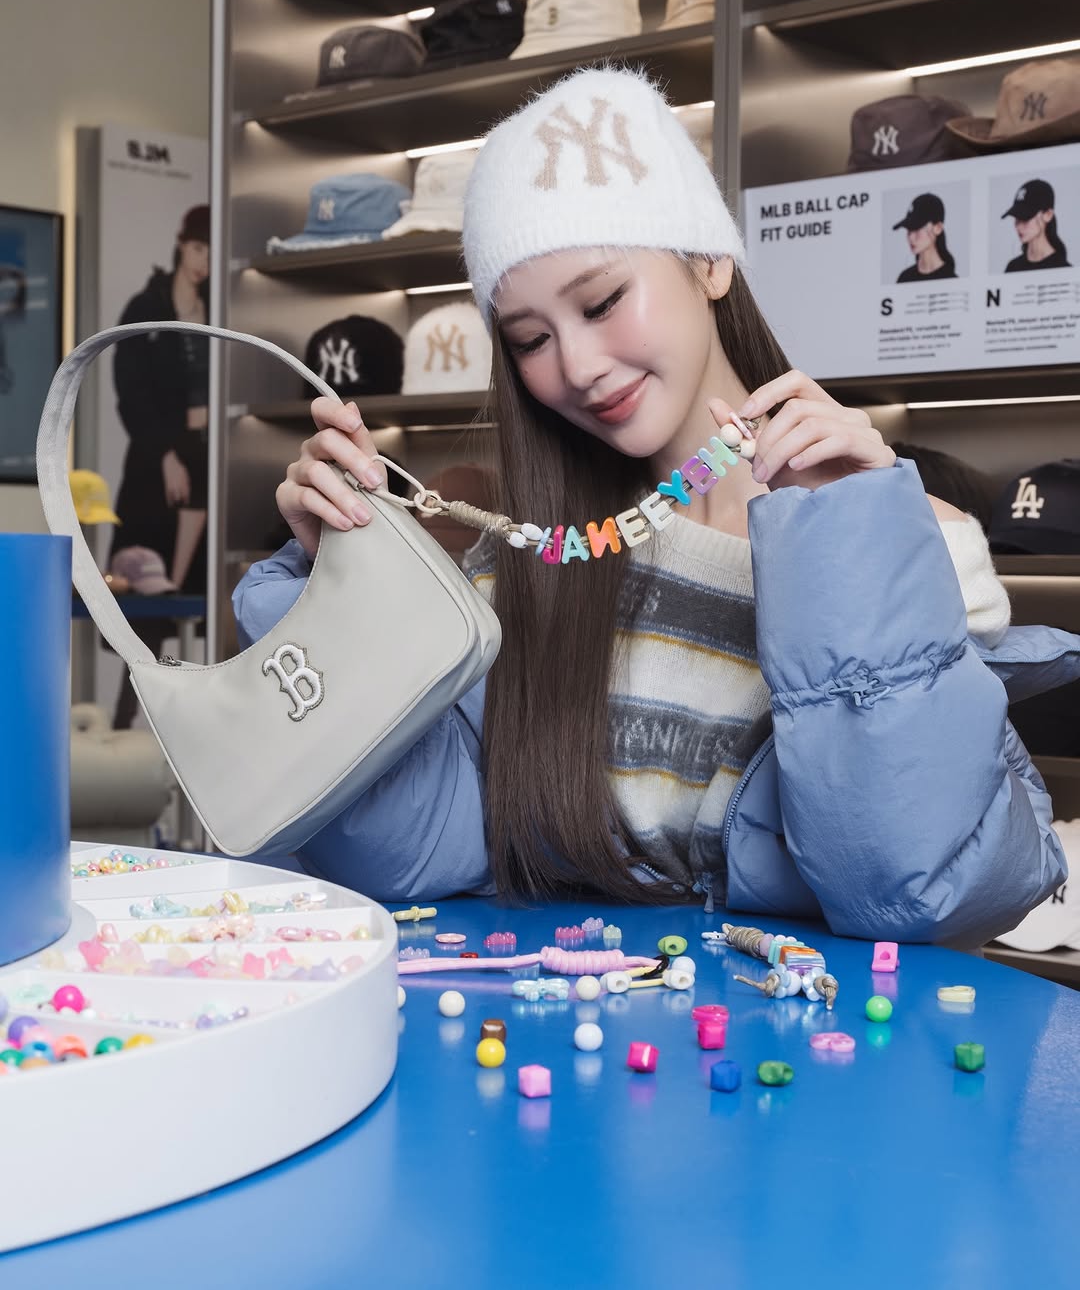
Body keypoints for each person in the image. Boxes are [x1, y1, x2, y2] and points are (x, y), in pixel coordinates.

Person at [233, 68, 1078, 947]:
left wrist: (850, 552)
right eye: (530, 339)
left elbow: (913, 891)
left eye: (602, 301)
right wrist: (342, 593)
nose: (579, 365)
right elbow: (412, 857)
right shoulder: (528, 561)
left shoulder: (917, 540)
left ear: (709, 260)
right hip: (561, 1024)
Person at [109, 203, 210, 728]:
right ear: (180, 244)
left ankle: (187, 744)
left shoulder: (219, 308)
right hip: (156, 467)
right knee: (144, 621)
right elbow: (130, 395)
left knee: (199, 610)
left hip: (209, 458)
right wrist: (167, 453)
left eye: (211, 250)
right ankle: (120, 737)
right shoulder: (145, 308)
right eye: (196, 248)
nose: (203, 260)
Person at [1003, 179, 1071, 272]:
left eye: (1025, 218)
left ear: (1048, 215)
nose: (1018, 227)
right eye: (1017, 218)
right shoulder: (1012, 267)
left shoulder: (1063, 269)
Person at [892, 193, 958, 281]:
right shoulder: (904, 278)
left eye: (917, 228)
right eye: (909, 230)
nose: (910, 237)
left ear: (938, 228)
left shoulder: (951, 279)